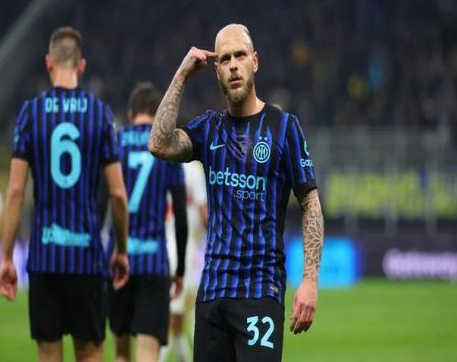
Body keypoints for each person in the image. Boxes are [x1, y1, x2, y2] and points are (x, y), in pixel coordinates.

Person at [148, 24, 324, 361]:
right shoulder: (208, 128)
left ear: (254, 61)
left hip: (260, 293)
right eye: (225, 59)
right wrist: (182, 75)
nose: (232, 65)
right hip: (212, 295)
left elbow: (310, 204)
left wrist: (309, 281)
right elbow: (158, 143)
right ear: (216, 70)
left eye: (239, 56)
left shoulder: (284, 128)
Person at [0, 26, 130, 362]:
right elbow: (117, 193)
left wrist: (7, 257)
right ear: (81, 66)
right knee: (90, 354)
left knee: (48, 355)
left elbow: (15, 191)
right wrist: (121, 250)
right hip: (87, 257)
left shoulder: (30, 114)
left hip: (45, 257)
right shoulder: (100, 114)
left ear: (48, 62)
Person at [108, 82, 188, 362]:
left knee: (121, 352)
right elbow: (180, 212)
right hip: (154, 262)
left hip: (118, 261)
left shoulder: (116, 142)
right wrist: (179, 269)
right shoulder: (166, 147)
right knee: (147, 353)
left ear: (131, 114)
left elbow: (102, 199)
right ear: (157, 114)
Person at [160, 160, 208, 362]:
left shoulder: (163, 163)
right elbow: (204, 213)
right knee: (178, 310)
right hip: (183, 246)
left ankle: (184, 356)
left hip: (161, 242)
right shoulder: (193, 170)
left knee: (180, 309)